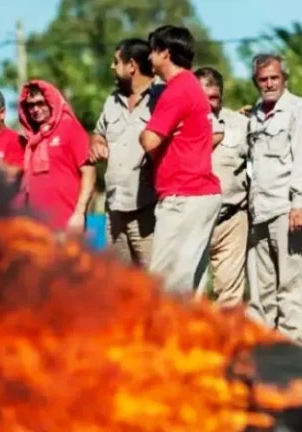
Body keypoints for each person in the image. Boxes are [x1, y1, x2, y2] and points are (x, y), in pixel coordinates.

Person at [245, 53, 302, 363]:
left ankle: (294, 342)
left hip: (285, 208)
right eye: (263, 79)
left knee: (290, 280)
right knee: (261, 285)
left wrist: (298, 204)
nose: (269, 84)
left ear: (284, 79)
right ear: (256, 82)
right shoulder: (255, 116)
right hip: (259, 209)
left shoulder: (300, 111)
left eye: (275, 78)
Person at [139, 25, 222, 294]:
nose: (149, 58)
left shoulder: (176, 91)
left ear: (165, 52)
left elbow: (149, 140)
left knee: (164, 283)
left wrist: (149, 135)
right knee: (190, 285)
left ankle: (161, 337)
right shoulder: (191, 87)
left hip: (184, 196)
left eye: (152, 51)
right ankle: (189, 337)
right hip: (199, 194)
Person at [89, 38, 160, 267]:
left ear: (131, 66)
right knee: (120, 285)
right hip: (114, 209)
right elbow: (98, 132)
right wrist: (97, 143)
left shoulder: (163, 97)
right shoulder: (112, 100)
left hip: (148, 209)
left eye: (115, 62)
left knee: (153, 284)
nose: (112, 67)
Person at [195, 66, 249, 307]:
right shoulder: (179, 123)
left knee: (230, 296)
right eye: (202, 97)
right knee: (190, 293)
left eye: (214, 97)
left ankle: (225, 344)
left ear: (222, 96)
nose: (208, 104)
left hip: (232, 218)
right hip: (193, 218)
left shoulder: (240, 124)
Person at [17, 79, 96, 238]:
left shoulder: (69, 127)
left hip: (66, 226)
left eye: (40, 103)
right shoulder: (32, 140)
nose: (35, 109)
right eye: (30, 105)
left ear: (51, 102)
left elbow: (89, 172)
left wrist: (79, 214)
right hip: (37, 230)